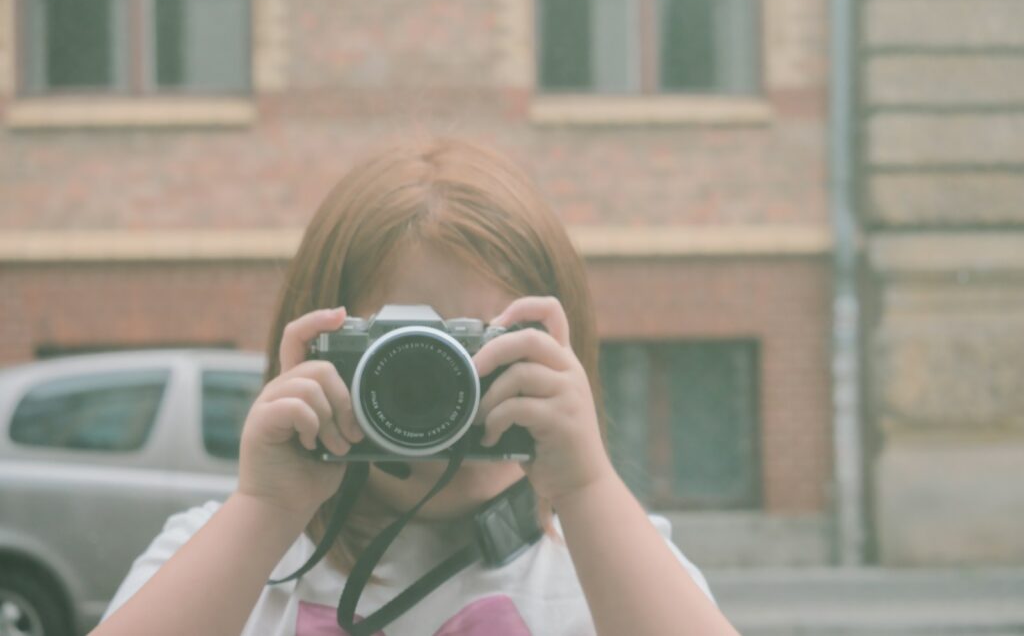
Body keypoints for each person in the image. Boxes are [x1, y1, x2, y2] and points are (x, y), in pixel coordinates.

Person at [93, 138, 739, 636]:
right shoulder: (229, 553)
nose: (446, 395)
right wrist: (266, 507)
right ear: (316, 354)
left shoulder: (616, 557)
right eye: (406, 359)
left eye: (480, 351)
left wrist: (587, 488)